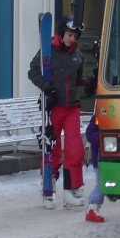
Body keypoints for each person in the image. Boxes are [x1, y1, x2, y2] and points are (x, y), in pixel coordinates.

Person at [28, 16, 86, 208]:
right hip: (54, 106)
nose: (72, 39)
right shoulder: (48, 50)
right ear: (61, 34)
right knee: (51, 147)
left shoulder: (78, 54)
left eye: (75, 35)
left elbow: (77, 80)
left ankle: (71, 189)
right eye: (69, 35)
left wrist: (88, 83)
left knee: (74, 148)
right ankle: (48, 187)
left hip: (72, 107)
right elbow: (33, 71)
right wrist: (46, 87)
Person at [84, 110, 105, 223]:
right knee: (102, 185)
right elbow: (90, 134)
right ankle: (92, 207)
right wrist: (104, 135)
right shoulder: (97, 117)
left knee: (104, 184)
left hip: (108, 158)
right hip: (100, 159)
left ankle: (93, 208)